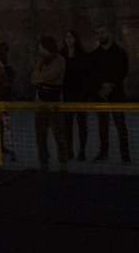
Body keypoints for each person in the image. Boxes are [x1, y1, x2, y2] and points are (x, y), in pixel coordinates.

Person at [90, 24, 131, 163]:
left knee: (120, 124)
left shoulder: (119, 52)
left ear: (108, 33)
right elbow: (93, 75)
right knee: (102, 125)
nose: (101, 35)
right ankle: (104, 152)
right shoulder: (94, 55)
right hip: (101, 95)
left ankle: (125, 154)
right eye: (98, 33)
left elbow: (122, 71)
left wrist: (109, 85)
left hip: (116, 93)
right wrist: (101, 88)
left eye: (103, 32)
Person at [32, 36, 70, 172]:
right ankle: (43, 161)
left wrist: (40, 77)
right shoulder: (41, 61)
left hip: (54, 103)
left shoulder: (60, 60)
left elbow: (50, 76)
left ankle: (63, 162)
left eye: (41, 45)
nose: (39, 48)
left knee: (59, 134)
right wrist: (43, 77)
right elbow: (33, 78)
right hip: (40, 102)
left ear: (46, 46)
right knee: (40, 135)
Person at [60, 30, 92, 162]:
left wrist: (87, 92)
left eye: (71, 37)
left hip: (80, 94)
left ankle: (82, 151)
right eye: (66, 37)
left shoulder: (83, 55)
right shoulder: (62, 55)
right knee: (68, 124)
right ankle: (69, 150)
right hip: (67, 93)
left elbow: (87, 75)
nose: (68, 39)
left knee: (81, 123)